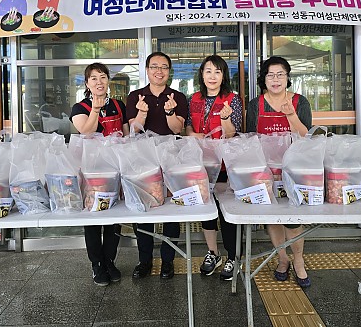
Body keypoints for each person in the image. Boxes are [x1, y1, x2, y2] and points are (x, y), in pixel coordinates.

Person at [246, 56, 312, 288]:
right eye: (270, 75)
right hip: (266, 172)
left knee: (292, 219)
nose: (275, 79)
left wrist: (291, 115)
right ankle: (282, 258)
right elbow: (251, 139)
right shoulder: (255, 105)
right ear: (263, 79)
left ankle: (299, 260)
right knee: (272, 218)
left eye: (280, 74)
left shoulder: (300, 101)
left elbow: (307, 137)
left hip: (293, 170)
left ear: (287, 77)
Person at [126, 52, 189, 280]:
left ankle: (168, 261)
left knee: (172, 209)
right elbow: (133, 130)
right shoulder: (135, 96)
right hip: (143, 160)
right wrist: (142, 113)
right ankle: (144, 260)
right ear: (147, 70)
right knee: (145, 209)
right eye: (154, 66)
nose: (159, 71)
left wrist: (170, 111)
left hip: (171, 159)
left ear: (169, 71)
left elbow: (177, 129)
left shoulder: (178, 97)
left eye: (163, 67)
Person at [70, 63, 129, 287]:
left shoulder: (118, 105)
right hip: (92, 172)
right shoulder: (80, 107)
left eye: (103, 77)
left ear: (108, 81)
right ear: (87, 83)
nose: (99, 82)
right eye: (93, 78)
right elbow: (85, 131)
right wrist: (95, 109)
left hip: (115, 170)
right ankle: (96, 264)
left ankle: (110, 261)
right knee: (93, 219)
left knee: (114, 218)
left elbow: (126, 136)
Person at [186, 55, 243, 281]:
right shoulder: (194, 98)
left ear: (223, 76)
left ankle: (232, 256)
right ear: (201, 74)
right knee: (207, 210)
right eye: (208, 71)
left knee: (227, 211)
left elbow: (232, 133)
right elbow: (188, 126)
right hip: (201, 164)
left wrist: (226, 118)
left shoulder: (232, 99)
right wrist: (193, 134)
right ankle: (213, 252)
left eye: (217, 72)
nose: (212, 76)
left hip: (224, 165)